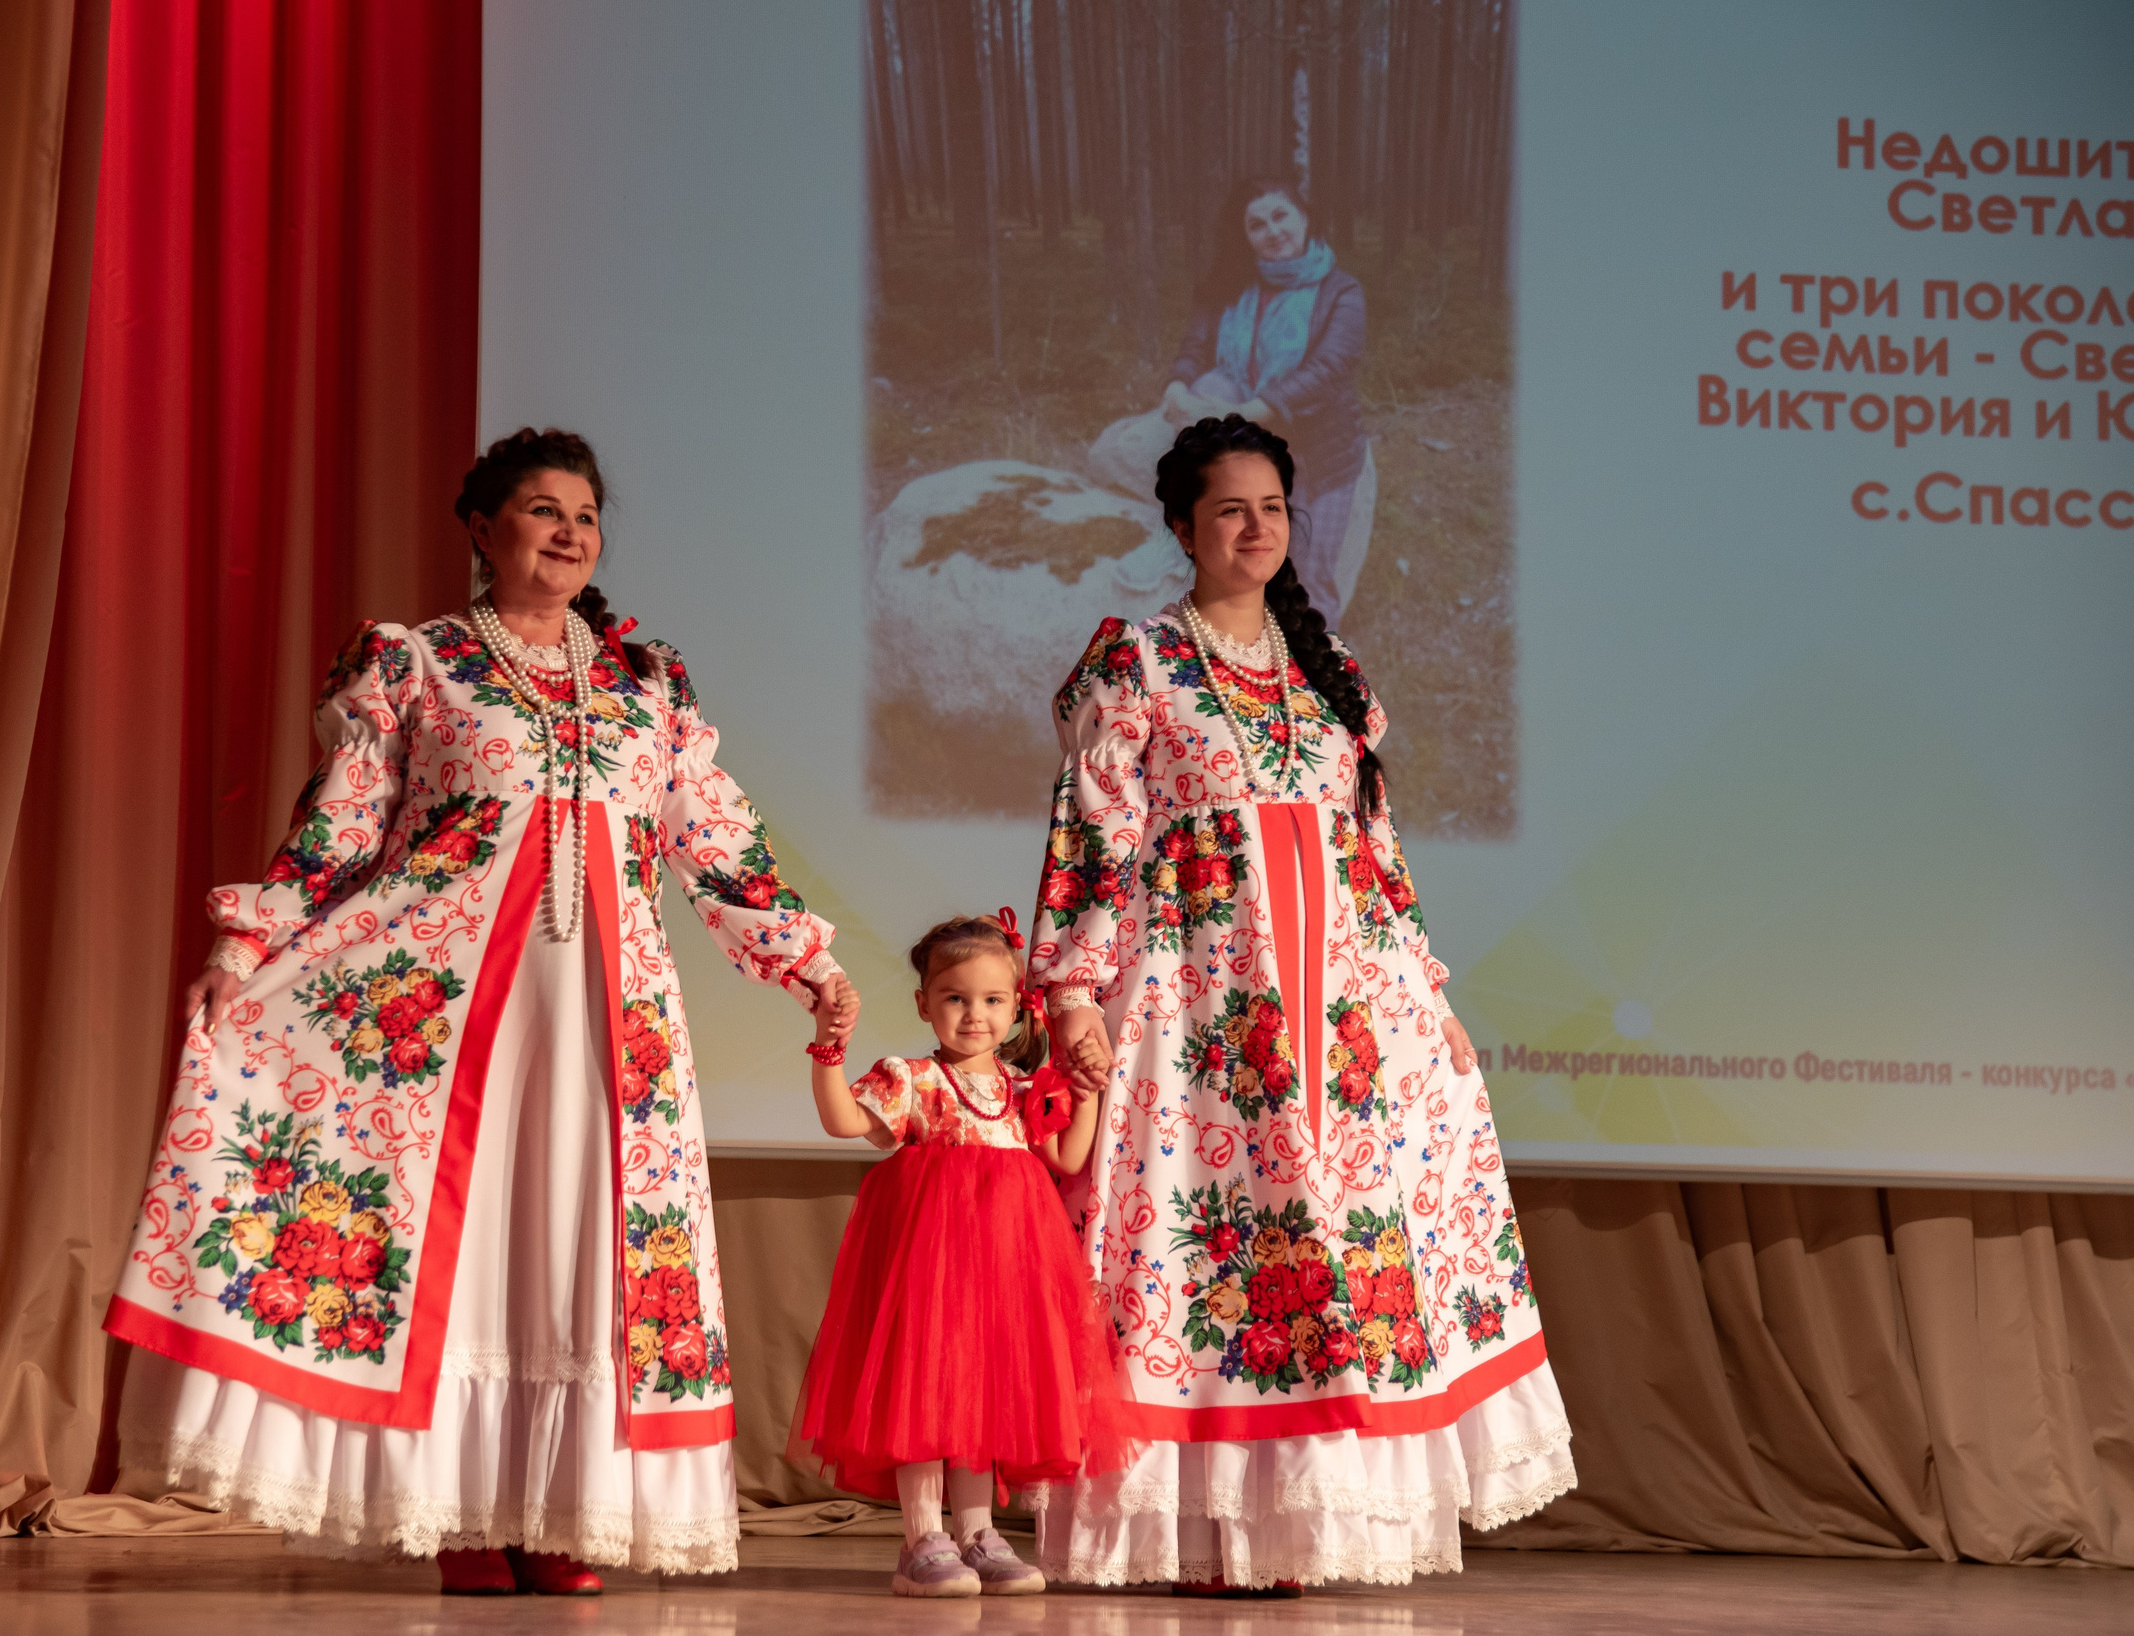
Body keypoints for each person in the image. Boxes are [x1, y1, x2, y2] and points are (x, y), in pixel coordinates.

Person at [106, 427, 858, 1592]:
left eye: (585, 516)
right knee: (475, 1237)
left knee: (579, 1235)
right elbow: (344, 824)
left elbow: (713, 835)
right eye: (541, 508)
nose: (567, 532)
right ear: (481, 526)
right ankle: (460, 1513)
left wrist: (804, 956)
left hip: (613, 1011)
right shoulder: (417, 662)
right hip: (454, 1015)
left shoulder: (645, 682)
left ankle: (567, 1515)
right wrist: (246, 936)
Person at [1028, 415, 1573, 1594]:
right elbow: (1092, 829)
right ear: (1180, 526)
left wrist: (1427, 989)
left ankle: (1304, 1526)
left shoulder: (1332, 675)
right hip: (1205, 1003)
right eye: (1229, 508)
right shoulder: (1136, 659)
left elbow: (1375, 849)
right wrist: (1073, 985)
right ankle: (1209, 1527)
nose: (1255, 526)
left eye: (1272, 507)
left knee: (1332, 1239)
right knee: (1221, 1231)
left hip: (1343, 1008)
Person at [789, 913, 1135, 1599]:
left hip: (1004, 1272)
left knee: (981, 1393)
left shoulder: (1025, 1092)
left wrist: (1089, 1093)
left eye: (992, 1000)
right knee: (923, 1387)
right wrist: (828, 1051)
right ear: (924, 1003)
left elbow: (1066, 1155)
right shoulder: (912, 1079)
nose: (974, 1014)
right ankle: (922, 1537)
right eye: (954, 997)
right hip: (928, 1267)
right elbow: (846, 1121)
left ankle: (977, 1530)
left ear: (1016, 1007)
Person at [1086, 178, 1376, 627]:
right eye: (1257, 224)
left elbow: (1330, 369)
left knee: (1306, 586)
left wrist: (1262, 407)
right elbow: (1195, 348)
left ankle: (1307, 686)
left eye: (1281, 216)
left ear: (1305, 217)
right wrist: (1178, 386)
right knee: (1122, 455)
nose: (1272, 231)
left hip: (1317, 455)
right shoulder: (1233, 282)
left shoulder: (1341, 291)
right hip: (1238, 436)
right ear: (1245, 235)